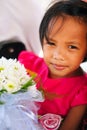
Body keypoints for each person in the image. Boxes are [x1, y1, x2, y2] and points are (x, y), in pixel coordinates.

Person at [18, 0, 87, 130]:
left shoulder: (82, 90)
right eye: (51, 43)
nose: (57, 55)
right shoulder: (28, 66)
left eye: (72, 47)